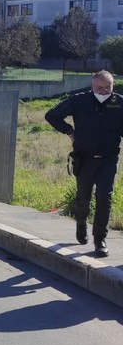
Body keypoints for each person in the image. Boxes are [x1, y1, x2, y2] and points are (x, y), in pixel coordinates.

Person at [45, 70, 123, 257]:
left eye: (108, 87)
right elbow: (52, 115)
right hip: (84, 158)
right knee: (83, 198)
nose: (104, 91)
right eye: (100, 88)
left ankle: (100, 240)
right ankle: (81, 223)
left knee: (105, 197)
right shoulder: (79, 100)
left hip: (109, 158)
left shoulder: (119, 102)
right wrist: (69, 132)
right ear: (92, 86)